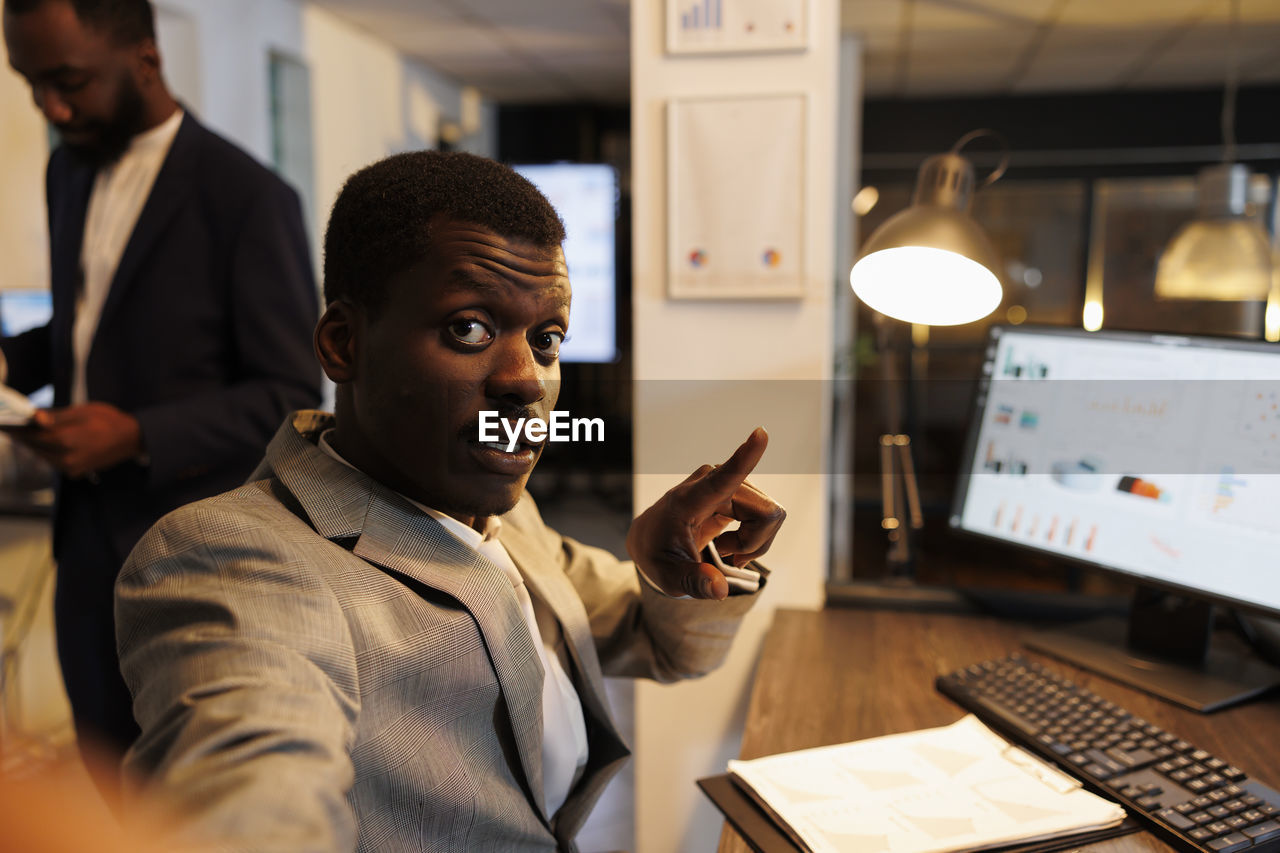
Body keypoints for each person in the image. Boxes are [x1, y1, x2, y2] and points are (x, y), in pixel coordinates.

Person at [115, 150, 786, 852]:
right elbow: (250, 789)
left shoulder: (499, 512)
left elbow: (660, 643)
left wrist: (676, 563)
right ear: (345, 343)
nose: (527, 380)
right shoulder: (237, 559)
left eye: (547, 339)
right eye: (470, 327)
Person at [1, 0, 321, 757]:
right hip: (82, 549)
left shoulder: (249, 198)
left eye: (68, 80)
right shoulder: (66, 171)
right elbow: (88, 328)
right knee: (106, 770)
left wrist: (137, 435)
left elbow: (292, 394)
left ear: (146, 58)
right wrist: (12, 361)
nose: (50, 105)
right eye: (29, 83)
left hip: (194, 559)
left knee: (183, 790)